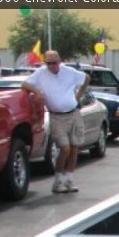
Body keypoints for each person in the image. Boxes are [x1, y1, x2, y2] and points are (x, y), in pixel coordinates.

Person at [21, 51, 90, 193]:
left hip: (73, 113)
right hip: (56, 116)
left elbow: (86, 78)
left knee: (74, 147)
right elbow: (25, 84)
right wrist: (37, 92)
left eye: (54, 63)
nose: (51, 66)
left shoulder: (68, 72)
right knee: (65, 148)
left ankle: (69, 179)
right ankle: (58, 180)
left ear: (59, 61)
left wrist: (78, 96)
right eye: (48, 63)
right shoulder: (41, 73)